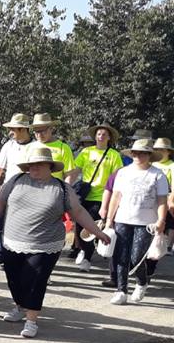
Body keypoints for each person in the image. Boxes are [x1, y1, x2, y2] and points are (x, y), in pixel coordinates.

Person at [0, 145, 110, 338]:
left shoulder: (61, 188)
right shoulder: (16, 181)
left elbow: (78, 212)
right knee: (14, 278)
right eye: (31, 165)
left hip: (45, 244)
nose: (34, 168)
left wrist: (97, 232)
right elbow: (0, 201)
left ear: (50, 166)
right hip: (13, 240)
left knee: (34, 279)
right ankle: (20, 307)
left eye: (39, 165)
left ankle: (31, 320)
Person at [105, 139, 169, 305]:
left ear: (149, 155)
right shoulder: (123, 172)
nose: (138, 156)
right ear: (131, 154)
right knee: (121, 256)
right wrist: (109, 220)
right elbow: (115, 197)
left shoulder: (158, 175)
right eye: (135, 153)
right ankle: (121, 290)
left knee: (136, 257)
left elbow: (162, 200)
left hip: (147, 223)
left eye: (143, 153)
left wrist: (161, 220)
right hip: (122, 219)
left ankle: (141, 282)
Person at [0, 113, 34, 267]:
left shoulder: (36, 147)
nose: (10, 132)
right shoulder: (8, 145)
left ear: (22, 129)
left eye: (13, 129)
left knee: (20, 225)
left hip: (27, 190)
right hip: (8, 188)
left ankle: (15, 255)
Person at [73, 123, 124, 271]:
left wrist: (111, 202)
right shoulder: (86, 152)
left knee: (91, 225)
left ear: (109, 138)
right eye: (99, 134)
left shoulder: (114, 155)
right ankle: (83, 250)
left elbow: (117, 177)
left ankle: (87, 257)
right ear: (95, 136)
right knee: (78, 225)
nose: (101, 136)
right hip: (84, 194)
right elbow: (76, 170)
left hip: (101, 196)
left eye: (104, 134)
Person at [31, 113, 79, 182]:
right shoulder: (30, 147)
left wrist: (64, 190)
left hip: (55, 189)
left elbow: (69, 174)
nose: (39, 135)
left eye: (43, 131)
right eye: (36, 131)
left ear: (51, 129)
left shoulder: (63, 148)